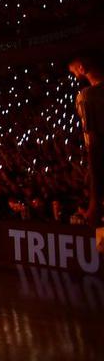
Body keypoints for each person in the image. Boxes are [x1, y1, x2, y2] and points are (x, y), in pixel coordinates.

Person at [68, 52, 104, 255]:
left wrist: (94, 200)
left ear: (81, 67)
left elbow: (95, 148)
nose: (74, 75)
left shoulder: (88, 97)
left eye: (73, 70)